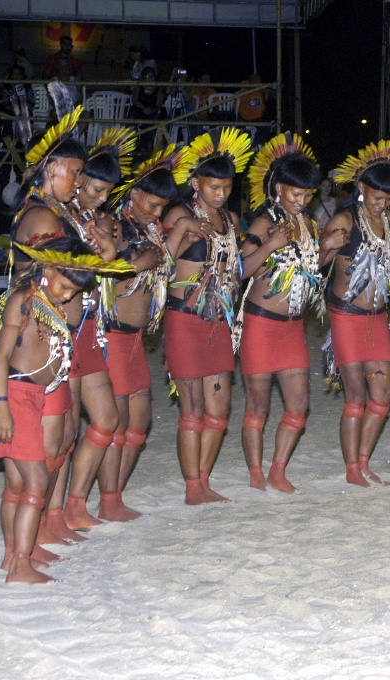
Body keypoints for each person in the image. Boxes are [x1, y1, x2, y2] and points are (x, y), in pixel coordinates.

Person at [0, 237, 126, 583]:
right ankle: (21, 566)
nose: (67, 295)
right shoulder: (23, 302)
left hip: (33, 397)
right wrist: (2, 407)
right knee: (36, 482)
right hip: (14, 396)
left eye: (74, 292)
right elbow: (0, 359)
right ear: (47, 268)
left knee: (16, 484)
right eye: (65, 286)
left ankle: (13, 557)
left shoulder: (48, 303)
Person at [8, 106, 115, 549]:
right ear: (50, 169)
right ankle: (33, 535)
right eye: (74, 172)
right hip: (41, 342)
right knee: (51, 438)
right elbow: (58, 277)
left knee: (66, 433)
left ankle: (52, 518)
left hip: (65, 337)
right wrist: (103, 256)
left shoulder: (59, 213)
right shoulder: (41, 217)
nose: (78, 180)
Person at [323, 139, 390, 485]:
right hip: (345, 316)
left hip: (378, 318)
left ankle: (364, 461)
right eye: (376, 197)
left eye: (388, 199)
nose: (381, 205)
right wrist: (326, 246)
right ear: (360, 188)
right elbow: (319, 264)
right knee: (356, 394)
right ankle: (353, 470)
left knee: (383, 395)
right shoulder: (344, 219)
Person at [62, 128, 153, 530]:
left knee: (106, 421)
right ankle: (59, 511)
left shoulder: (98, 220)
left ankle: (83, 503)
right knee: (64, 433)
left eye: (105, 191)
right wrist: (116, 254)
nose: (101, 198)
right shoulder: (57, 219)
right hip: (66, 331)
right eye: (95, 189)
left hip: (92, 330)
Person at [236, 134, 334, 493]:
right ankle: (256, 473)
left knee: (298, 404)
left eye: (308, 196)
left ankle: (278, 469)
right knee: (258, 405)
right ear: (278, 188)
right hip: (261, 323)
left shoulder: (308, 224)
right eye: (296, 194)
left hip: (293, 329)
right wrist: (271, 244)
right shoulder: (263, 222)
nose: (302, 201)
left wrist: (326, 250)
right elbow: (240, 270)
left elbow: (308, 270)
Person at [162, 128, 254, 504]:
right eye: (214, 186)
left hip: (219, 322)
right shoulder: (179, 213)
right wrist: (182, 231)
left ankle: (203, 479)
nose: (221, 194)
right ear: (196, 183)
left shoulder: (231, 220)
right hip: (185, 319)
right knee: (193, 410)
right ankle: (192, 487)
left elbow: (239, 270)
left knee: (219, 409)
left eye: (227, 187)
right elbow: (161, 268)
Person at [100, 145, 181, 521]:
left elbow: (166, 266)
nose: (158, 213)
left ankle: (114, 493)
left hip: (134, 340)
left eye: (163, 207)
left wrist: (175, 232)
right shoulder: (114, 226)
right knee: (115, 424)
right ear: (133, 195)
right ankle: (107, 499)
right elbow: (105, 269)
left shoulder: (152, 230)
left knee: (140, 422)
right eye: (153, 205)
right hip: (113, 335)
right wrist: (136, 262)